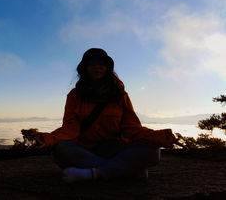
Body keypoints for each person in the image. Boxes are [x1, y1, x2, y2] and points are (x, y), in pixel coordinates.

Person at [34, 48, 187, 183]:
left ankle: (94, 173)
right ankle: (123, 170)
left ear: (107, 68)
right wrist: (49, 139)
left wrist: (159, 138)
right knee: (61, 149)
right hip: (85, 148)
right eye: (91, 64)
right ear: (84, 69)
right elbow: (70, 128)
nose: (97, 67)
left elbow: (132, 129)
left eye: (101, 64)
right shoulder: (74, 96)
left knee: (153, 152)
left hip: (115, 147)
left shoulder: (120, 95)